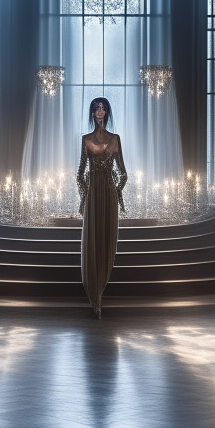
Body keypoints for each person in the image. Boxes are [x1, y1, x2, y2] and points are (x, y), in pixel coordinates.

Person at [76, 97, 127, 319]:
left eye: (103, 108)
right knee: (92, 238)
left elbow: (124, 173)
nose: (99, 111)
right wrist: (84, 195)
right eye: (96, 108)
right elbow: (79, 173)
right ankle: (94, 297)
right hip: (93, 193)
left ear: (107, 112)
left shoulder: (115, 139)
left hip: (108, 192)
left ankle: (101, 291)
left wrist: (117, 191)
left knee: (106, 237)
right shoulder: (86, 139)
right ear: (92, 112)